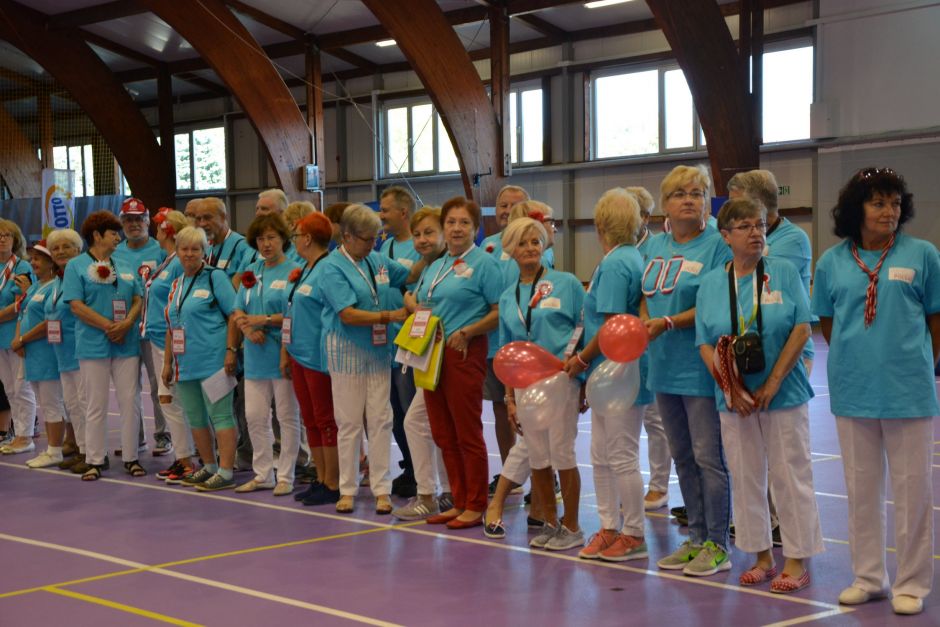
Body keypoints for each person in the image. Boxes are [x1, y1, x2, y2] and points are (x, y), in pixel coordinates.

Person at [812, 168, 937, 615]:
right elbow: (828, 323)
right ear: (856, 209)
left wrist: (914, 363)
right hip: (853, 391)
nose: (889, 212)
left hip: (908, 392)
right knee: (861, 490)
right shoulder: (831, 262)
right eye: (878, 203)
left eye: (896, 203)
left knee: (913, 493)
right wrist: (857, 359)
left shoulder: (922, 255)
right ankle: (868, 577)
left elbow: (936, 318)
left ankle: (912, 584)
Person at [696, 197, 823, 593]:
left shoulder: (783, 271)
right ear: (726, 235)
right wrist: (730, 387)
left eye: (761, 226)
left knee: (790, 474)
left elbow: (802, 328)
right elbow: (704, 342)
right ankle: (761, 556)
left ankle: (797, 559)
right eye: (746, 226)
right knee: (746, 475)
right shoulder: (712, 283)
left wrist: (773, 382)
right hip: (735, 399)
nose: (756, 233)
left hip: (783, 393)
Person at [641, 165, 733, 576]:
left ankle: (717, 543)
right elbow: (644, 295)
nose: (689, 200)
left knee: (708, 458)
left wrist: (669, 322)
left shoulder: (716, 246)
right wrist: (646, 320)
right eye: (680, 194)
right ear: (665, 203)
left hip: (699, 367)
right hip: (662, 367)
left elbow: (716, 304)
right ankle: (695, 539)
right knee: (681, 456)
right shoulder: (654, 246)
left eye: (697, 193)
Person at [563, 188, 653, 562]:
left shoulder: (616, 264)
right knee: (601, 454)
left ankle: (633, 532)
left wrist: (581, 361)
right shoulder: (625, 257)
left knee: (621, 455)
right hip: (608, 375)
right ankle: (609, 526)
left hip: (619, 374)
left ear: (599, 224)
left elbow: (611, 327)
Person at [406, 196, 501, 529]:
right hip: (432, 353)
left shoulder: (485, 264)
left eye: (464, 223)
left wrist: (469, 331)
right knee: (443, 431)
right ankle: (459, 499)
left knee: (466, 431)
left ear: (475, 228)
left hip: (463, 351)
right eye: (450, 222)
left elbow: (498, 311)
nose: (456, 228)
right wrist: (414, 309)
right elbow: (417, 299)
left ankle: (475, 503)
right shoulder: (437, 265)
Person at [499, 217, 585, 550]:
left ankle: (572, 526)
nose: (530, 248)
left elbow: (583, 328)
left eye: (535, 241)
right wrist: (509, 397)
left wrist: (582, 377)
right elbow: (507, 351)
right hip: (524, 384)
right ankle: (549, 523)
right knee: (537, 455)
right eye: (522, 243)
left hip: (560, 378)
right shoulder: (508, 297)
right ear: (511, 250)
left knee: (562, 451)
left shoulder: (567, 284)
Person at [320, 204, 410, 515]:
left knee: (382, 419)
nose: (373, 244)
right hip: (346, 349)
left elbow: (408, 275)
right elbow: (347, 314)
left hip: (378, 350)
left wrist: (431, 252)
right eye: (366, 239)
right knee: (349, 422)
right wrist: (389, 316)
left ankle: (382, 488)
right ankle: (348, 488)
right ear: (346, 236)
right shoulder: (331, 267)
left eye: (375, 238)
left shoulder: (376, 259)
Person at [63, 211, 144, 481]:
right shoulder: (76, 266)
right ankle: (95, 460)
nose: (118, 237)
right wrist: (110, 326)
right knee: (95, 404)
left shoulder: (125, 263)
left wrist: (127, 323)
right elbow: (76, 305)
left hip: (126, 342)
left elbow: (138, 298)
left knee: (130, 401)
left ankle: (131, 457)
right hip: (93, 344)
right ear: (97, 236)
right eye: (113, 233)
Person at [226, 213, 301, 497]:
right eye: (260, 239)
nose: (266, 244)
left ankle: (286, 475)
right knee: (254, 416)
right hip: (254, 358)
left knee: (286, 416)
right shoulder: (252, 271)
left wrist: (265, 321)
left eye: (271, 238)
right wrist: (247, 329)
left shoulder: (294, 271)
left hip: (283, 354)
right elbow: (237, 309)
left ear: (283, 239)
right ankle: (263, 474)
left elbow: (295, 314)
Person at [163, 226, 239, 492]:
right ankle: (209, 466)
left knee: (221, 415)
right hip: (185, 364)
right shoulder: (176, 284)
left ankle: (226, 471)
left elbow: (234, 315)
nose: (189, 254)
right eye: (184, 249)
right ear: (177, 251)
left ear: (204, 252)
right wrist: (167, 363)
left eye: (195, 249)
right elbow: (171, 326)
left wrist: (231, 350)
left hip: (214, 361)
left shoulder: (215, 277)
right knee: (195, 417)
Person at [392, 207, 453, 521]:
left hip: (448, 356)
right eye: (417, 235)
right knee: (423, 423)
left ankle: (436, 493)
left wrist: (414, 305)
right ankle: (434, 492)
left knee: (428, 423)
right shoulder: (428, 268)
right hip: (428, 357)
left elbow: (431, 306)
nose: (422, 240)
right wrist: (411, 302)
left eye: (429, 232)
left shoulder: (451, 267)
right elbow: (415, 299)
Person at [281, 212, 340, 506]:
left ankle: (333, 481)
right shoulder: (305, 268)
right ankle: (321, 476)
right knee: (311, 419)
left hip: (318, 357)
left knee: (325, 419)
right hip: (299, 354)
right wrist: (286, 351)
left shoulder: (327, 269)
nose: (293, 241)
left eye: (295, 236)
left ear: (307, 238)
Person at [112, 197, 171, 457]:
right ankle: (134, 438)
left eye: (139, 219)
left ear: (148, 221)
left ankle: (163, 435)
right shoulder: (115, 253)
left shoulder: (160, 250)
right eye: (129, 220)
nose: (134, 224)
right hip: (127, 329)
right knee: (128, 388)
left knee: (159, 384)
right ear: (122, 223)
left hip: (154, 328)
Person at [143, 209, 198, 484]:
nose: (155, 231)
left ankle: (186, 459)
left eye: (158, 226)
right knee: (170, 398)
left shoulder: (176, 263)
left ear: (167, 230)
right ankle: (184, 456)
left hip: (168, 339)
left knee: (171, 398)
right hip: (157, 336)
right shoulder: (167, 260)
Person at [626, 186, 672, 512]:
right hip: (623, 346)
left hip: (653, 341)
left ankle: (659, 485)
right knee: (625, 418)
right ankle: (627, 482)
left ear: (644, 217)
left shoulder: (656, 248)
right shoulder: (617, 250)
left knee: (656, 420)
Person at [481, 185, 530, 480]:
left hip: (522, 345)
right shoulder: (486, 246)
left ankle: (544, 475)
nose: (507, 211)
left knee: (530, 411)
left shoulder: (535, 246)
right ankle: (510, 475)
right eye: (503, 205)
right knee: (501, 408)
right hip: (491, 344)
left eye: (514, 205)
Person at [379, 185, 422, 498]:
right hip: (386, 341)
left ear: (403, 212)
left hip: (411, 343)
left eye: (385, 210)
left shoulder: (419, 249)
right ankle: (409, 465)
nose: (381, 216)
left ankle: (422, 470)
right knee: (393, 411)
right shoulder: (385, 248)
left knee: (411, 409)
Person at [12, 242, 65, 468]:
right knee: (45, 401)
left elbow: (48, 322)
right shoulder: (35, 286)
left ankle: (55, 451)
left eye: (38, 259)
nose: (32, 262)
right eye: (32, 258)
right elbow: (22, 313)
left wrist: (23, 339)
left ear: (51, 263)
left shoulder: (55, 287)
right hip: (33, 354)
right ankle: (56, 447)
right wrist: (18, 339)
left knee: (52, 402)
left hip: (47, 353)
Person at [44, 229, 87, 472]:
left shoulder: (84, 274)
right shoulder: (58, 279)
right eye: (56, 248)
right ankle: (82, 449)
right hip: (62, 352)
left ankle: (93, 454)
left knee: (85, 405)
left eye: (66, 246)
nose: (60, 252)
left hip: (81, 351)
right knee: (72, 406)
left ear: (78, 249)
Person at [0, 219, 36, 455]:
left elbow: (19, 304)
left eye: (7, 235)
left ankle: (26, 436)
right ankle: (17, 434)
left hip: (15, 334)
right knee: (9, 388)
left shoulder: (22, 267)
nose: (2, 239)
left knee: (22, 387)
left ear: (15, 240)